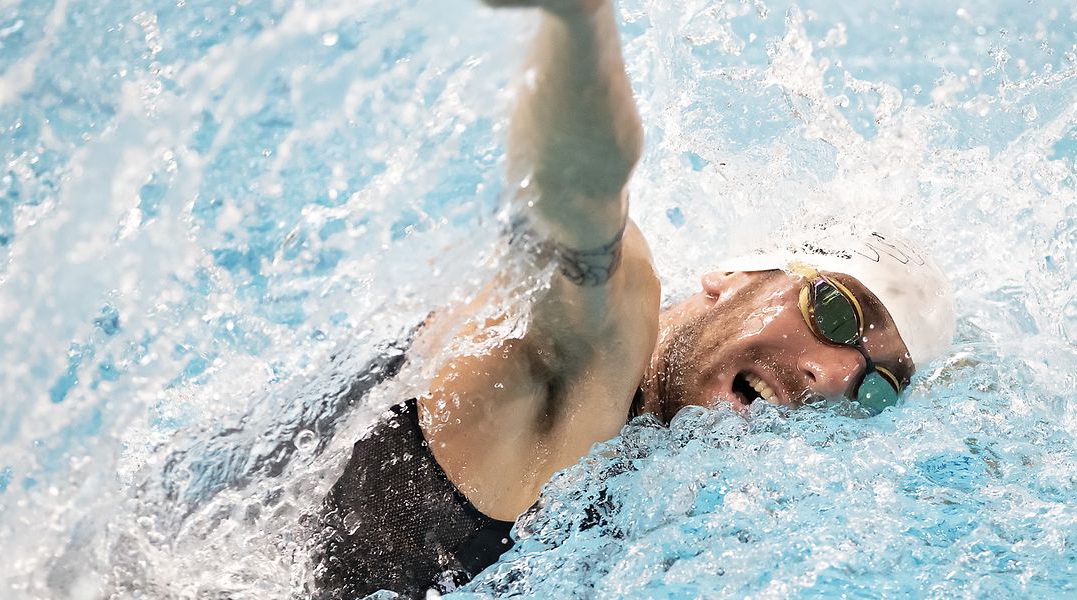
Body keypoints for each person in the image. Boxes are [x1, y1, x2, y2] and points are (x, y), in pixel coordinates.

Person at [307, 0, 956, 596]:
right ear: (732, 277)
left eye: (877, 384)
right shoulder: (588, 354)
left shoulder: (658, 474)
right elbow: (579, 197)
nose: (835, 375)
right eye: (834, 310)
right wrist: (578, 20)